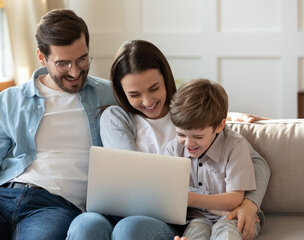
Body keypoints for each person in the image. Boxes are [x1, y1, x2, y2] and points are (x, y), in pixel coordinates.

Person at [66, 40, 270, 240]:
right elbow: (133, 177)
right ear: (121, 91)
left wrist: (248, 204)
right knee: (84, 226)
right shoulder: (116, 118)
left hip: (161, 218)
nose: (147, 101)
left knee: (129, 229)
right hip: (119, 208)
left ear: (166, 78)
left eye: (154, 88)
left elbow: (256, 162)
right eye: (134, 94)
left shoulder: (185, 114)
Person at [0, 9, 116, 240]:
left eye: (82, 59)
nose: (75, 72)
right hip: (0, 198)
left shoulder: (111, 94)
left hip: (56, 207)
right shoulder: (8, 101)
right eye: (63, 63)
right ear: (42, 58)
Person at [167, 78, 257, 240]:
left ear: (220, 126)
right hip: (195, 219)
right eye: (181, 134)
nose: (188, 143)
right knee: (195, 232)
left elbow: (235, 199)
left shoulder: (235, 145)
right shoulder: (172, 148)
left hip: (231, 216)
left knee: (227, 233)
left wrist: (191, 198)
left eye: (198, 136)